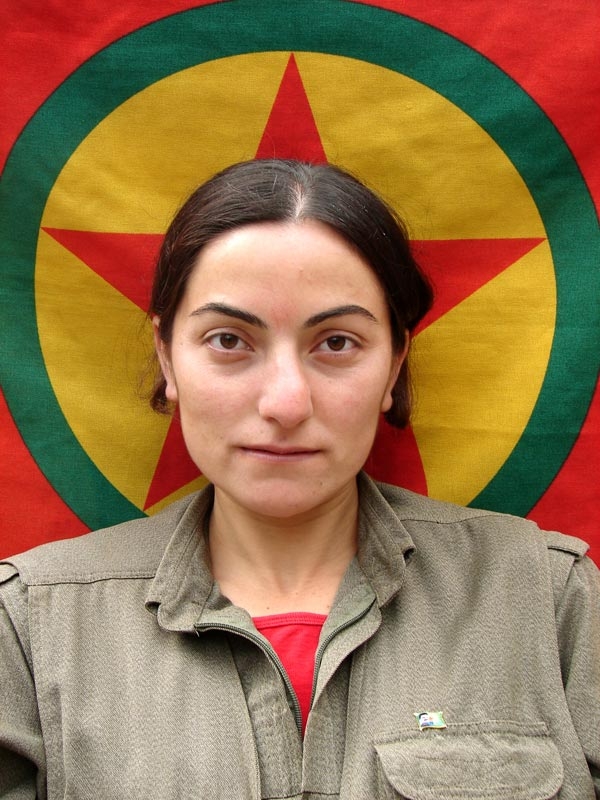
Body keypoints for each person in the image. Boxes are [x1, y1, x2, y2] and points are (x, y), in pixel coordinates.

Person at [0, 159, 598, 799]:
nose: (285, 403)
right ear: (167, 356)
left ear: (395, 363)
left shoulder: (551, 602)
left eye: (336, 343)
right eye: (229, 340)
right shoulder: (30, 629)